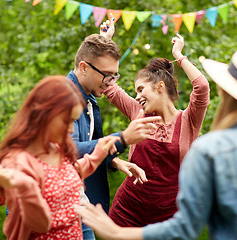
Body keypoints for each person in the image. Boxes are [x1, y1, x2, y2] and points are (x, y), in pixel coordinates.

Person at [76, 43, 237, 240]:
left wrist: (118, 234)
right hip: (131, 207)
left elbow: (186, 226)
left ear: (226, 91)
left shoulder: (211, 151)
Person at [0, 75, 120, 240]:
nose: (71, 130)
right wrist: (26, 188)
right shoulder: (18, 164)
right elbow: (40, 225)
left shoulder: (56, 147)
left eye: (74, 122)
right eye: (67, 122)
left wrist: (98, 154)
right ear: (45, 115)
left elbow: (68, 176)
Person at [100, 33, 209, 227]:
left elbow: (201, 87)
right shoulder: (137, 111)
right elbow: (109, 86)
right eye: (135, 92)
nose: (138, 96)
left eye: (141, 89)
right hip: (127, 212)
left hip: (169, 217)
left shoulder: (189, 119)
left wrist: (179, 55)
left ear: (160, 87)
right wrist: (104, 42)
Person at [68, 17, 161, 239]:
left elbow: (88, 145)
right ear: (83, 67)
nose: (111, 81)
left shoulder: (86, 96)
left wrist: (115, 161)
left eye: (114, 75)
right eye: (107, 75)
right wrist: (123, 138)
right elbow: (69, 151)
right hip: (62, 206)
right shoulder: (66, 99)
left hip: (82, 202)